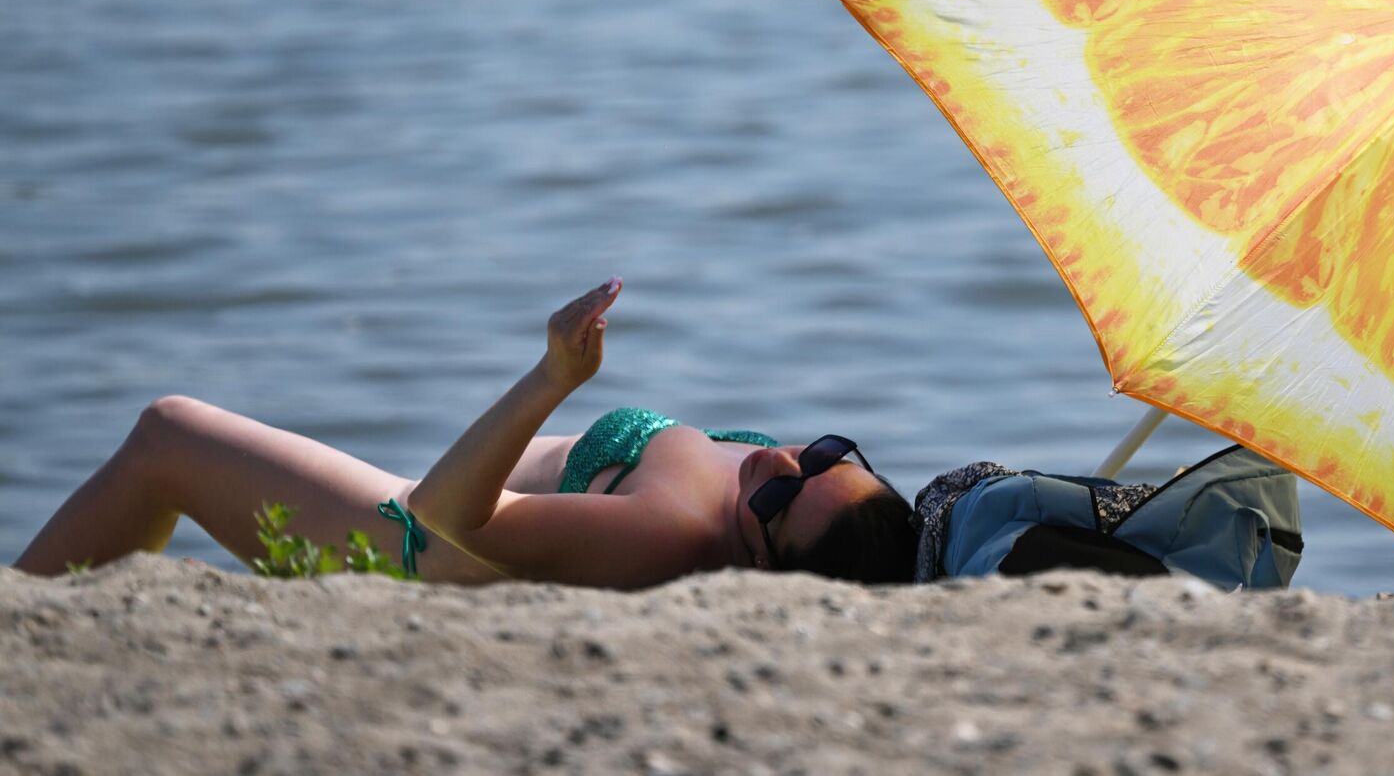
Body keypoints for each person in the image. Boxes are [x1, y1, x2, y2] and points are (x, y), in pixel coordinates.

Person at [14, 278, 916, 588]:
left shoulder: (674, 529)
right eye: (829, 454)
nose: (782, 459)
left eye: (780, 494)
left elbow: (450, 520)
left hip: (403, 545)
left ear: (764, 571)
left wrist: (552, 378)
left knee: (166, 435)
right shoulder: (773, 510)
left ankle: (22, 620)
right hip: (428, 516)